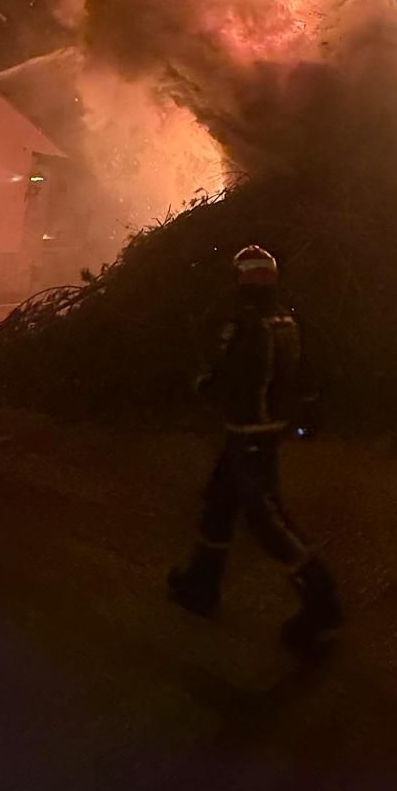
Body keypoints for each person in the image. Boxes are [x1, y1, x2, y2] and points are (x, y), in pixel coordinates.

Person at [168, 243, 342, 655]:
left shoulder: (244, 323)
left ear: (240, 278)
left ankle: (321, 599)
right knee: (219, 503)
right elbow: (305, 373)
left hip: (249, 434)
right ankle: (201, 584)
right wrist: (307, 411)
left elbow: (226, 376)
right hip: (262, 430)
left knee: (267, 519)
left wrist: (202, 384)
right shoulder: (286, 318)